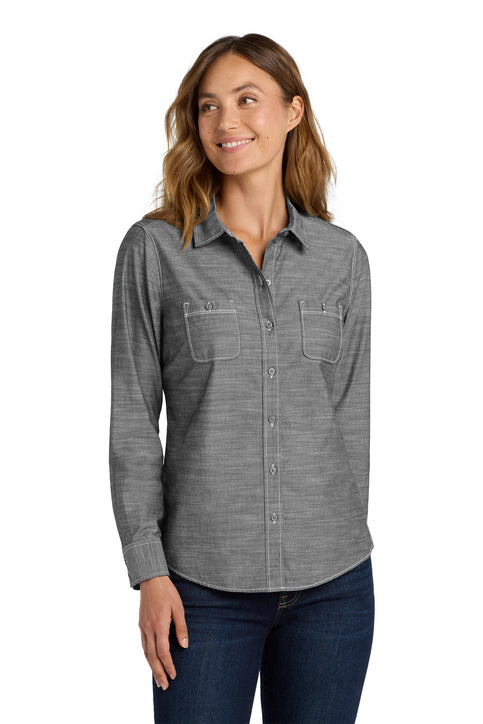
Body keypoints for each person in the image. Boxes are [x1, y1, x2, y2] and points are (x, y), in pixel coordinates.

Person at [109, 33, 375, 724]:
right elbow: (133, 419)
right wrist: (148, 569)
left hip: (334, 587)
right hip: (200, 589)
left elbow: (349, 420)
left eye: (247, 99)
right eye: (208, 106)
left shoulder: (342, 259)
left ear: (293, 111)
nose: (225, 121)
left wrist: (343, 539)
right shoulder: (156, 249)